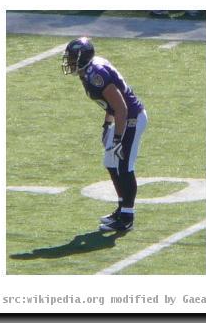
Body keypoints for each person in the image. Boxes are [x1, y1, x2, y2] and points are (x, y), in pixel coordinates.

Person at [62, 37, 148, 232]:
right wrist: (106, 125)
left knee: (124, 165)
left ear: (83, 58)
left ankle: (127, 216)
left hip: (131, 119)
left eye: (73, 58)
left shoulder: (95, 75)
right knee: (110, 163)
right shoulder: (89, 71)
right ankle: (121, 207)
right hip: (121, 118)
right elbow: (111, 105)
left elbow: (122, 108)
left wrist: (117, 137)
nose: (69, 62)